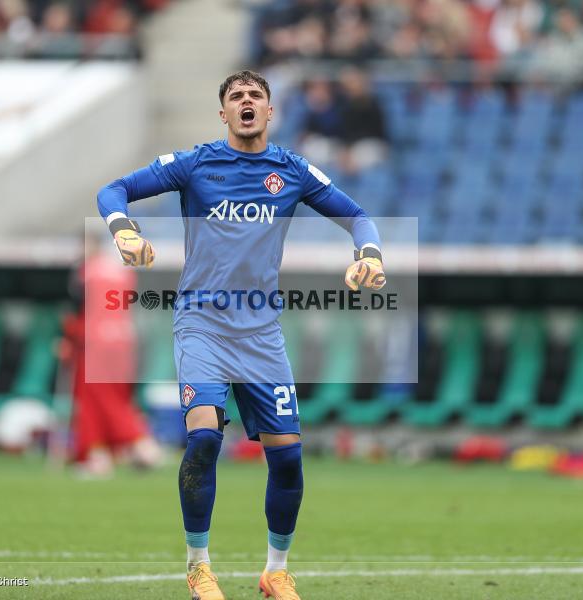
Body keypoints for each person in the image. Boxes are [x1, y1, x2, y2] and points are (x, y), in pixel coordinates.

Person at [96, 70, 386, 600]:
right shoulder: (197, 163)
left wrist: (368, 254)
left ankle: (275, 570)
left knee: (289, 456)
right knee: (204, 436)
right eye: (236, 96)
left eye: (256, 96)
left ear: (270, 111)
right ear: (223, 113)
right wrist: (124, 228)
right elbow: (113, 189)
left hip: (261, 332)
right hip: (202, 322)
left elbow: (358, 216)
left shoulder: (291, 170)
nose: (247, 102)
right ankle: (198, 566)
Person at [61, 233, 161, 478]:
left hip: (95, 344)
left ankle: (134, 445)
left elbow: (81, 308)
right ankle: (108, 453)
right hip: (124, 343)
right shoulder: (122, 271)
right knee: (114, 398)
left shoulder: (87, 272)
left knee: (95, 401)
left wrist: (69, 337)